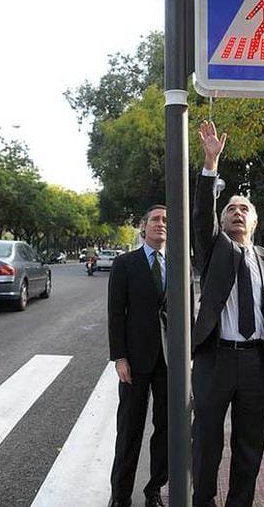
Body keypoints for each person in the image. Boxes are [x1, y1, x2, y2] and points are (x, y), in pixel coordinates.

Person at [192, 121, 264, 507]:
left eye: (244, 209)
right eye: (231, 209)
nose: (237, 213)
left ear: (255, 221)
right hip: (217, 359)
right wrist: (210, 163)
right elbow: (201, 215)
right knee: (207, 439)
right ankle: (204, 500)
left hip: (257, 365)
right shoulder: (214, 248)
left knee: (249, 446)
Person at [108, 205, 168, 507]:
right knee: (129, 429)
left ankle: (154, 489)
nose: (161, 224)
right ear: (143, 227)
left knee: (166, 429)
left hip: (171, 362)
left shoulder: (180, 263)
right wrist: (119, 357)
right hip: (135, 360)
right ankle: (120, 495)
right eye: (155, 219)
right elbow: (116, 313)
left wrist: (190, 355)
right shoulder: (125, 264)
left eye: (166, 220)